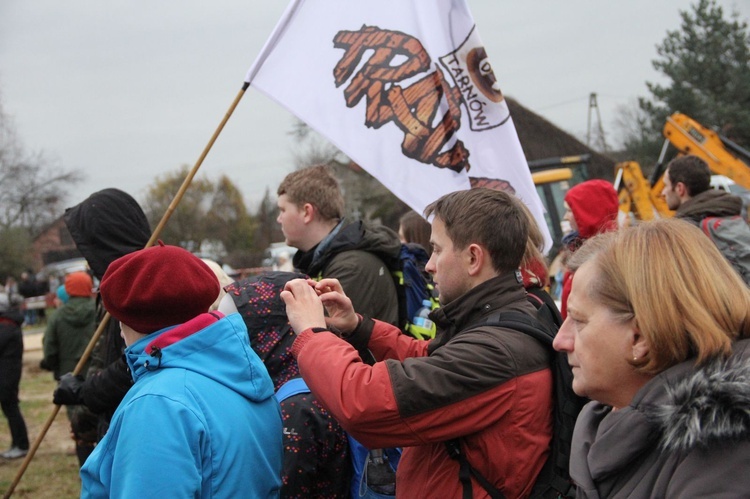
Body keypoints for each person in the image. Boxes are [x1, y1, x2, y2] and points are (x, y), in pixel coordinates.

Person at [281, 188, 553, 498]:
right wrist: (360, 327)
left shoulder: (497, 351)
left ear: (473, 258)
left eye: (437, 250)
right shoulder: (501, 319)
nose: (429, 265)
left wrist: (313, 334)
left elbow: (364, 405)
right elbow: (433, 359)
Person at [553, 218, 750, 497]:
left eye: (578, 320)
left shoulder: (726, 453)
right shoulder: (600, 421)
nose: (560, 341)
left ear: (641, 336)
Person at [80, 243, 282, 498]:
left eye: (119, 319)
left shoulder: (158, 403)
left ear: (132, 321)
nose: (119, 331)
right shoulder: (245, 369)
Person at [221, 271, 351, 498]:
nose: (224, 342)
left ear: (264, 333)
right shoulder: (319, 380)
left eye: (234, 331)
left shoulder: (297, 407)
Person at [52, 188, 152, 443]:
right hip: (111, 422)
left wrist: (85, 393)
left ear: (105, 240)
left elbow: (139, 361)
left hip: (138, 427)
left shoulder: (145, 287)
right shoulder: (112, 286)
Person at [276, 165, 401, 325]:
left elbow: (319, 336)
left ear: (307, 212)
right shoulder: (331, 259)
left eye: (283, 210)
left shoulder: (350, 267)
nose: (279, 219)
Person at [41, 271, 97, 465]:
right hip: (96, 371)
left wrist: (52, 365)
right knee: (100, 412)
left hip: (69, 374)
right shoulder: (98, 311)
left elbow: (49, 347)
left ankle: (86, 462)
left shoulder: (58, 316)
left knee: (77, 419)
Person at [559, 179, 619, 318]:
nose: (566, 217)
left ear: (587, 212)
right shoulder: (581, 250)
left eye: (570, 210)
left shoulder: (603, 258)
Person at [0, 291, 29, 460]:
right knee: (10, 409)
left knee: (11, 408)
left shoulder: (7, 326)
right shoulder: (8, 324)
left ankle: (21, 444)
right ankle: (17, 443)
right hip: (7, 374)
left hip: (7, 377)